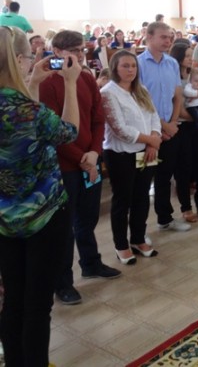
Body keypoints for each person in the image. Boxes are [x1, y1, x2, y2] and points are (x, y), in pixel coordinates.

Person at [0, 26, 80, 366]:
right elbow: (68, 131)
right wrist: (72, 83)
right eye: (29, 58)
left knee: (13, 300)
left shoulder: (21, 106)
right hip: (44, 216)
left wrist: (32, 84)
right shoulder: (27, 111)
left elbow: (24, 134)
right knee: (36, 305)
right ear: (19, 59)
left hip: (4, 219)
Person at [38, 30, 120, 307]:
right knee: (64, 227)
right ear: (58, 52)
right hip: (64, 165)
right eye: (76, 51)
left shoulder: (86, 77)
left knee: (87, 218)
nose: (82, 56)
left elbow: (98, 119)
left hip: (89, 160)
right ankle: (63, 282)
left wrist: (95, 153)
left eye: (84, 51)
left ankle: (91, 262)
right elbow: (52, 133)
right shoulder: (47, 83)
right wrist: (82, 158)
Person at [101, 51, 160, 264]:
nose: (130, 70)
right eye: (125, 66)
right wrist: (150, 141)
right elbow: (120, 129)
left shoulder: (141, 90)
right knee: (122, 200)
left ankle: (137, 238)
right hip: (121, 154)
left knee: (142, 196)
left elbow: (154, 116)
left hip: (147, 150)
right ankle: (121, 245)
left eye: (133, 66)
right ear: (115, 68)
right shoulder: (108, 93)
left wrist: (154, 138)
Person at [137, 22, 190, 232]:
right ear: (149, 37)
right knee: (143, 181)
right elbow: (140, 101)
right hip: (148, 131)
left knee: (165, 177)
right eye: (163, 37)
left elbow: (177, 96)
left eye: (170, 37)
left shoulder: (171, 64)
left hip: (170, 128)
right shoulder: (138, 63)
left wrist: (173, 123)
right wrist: (162, 127)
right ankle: (138, 231)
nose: (168, 41)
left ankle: (165, 218)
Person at [170, 42, 198, 222]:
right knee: (184, 167)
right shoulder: (173, 77)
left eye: (190, 55)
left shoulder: (194, 74)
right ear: (178, 57)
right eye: (187, 56)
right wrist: (196, 117)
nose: (190, 59)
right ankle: (186, 208)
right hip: (183, 127)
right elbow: (177, 108)